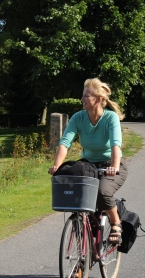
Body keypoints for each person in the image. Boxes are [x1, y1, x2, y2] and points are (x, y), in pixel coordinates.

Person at [48, 78, 127, 244]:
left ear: (98, 99)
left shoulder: (110, 118)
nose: (82, 99)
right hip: (88, 165)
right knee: (78, 200)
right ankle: (83, 254)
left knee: (103, 191)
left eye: (86, 96)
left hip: (111, 164)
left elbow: (115, 145)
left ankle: (115, 222)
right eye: (83, 96)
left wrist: (114, 166)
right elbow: (65, 143)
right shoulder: (79, 118)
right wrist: (56, 166)